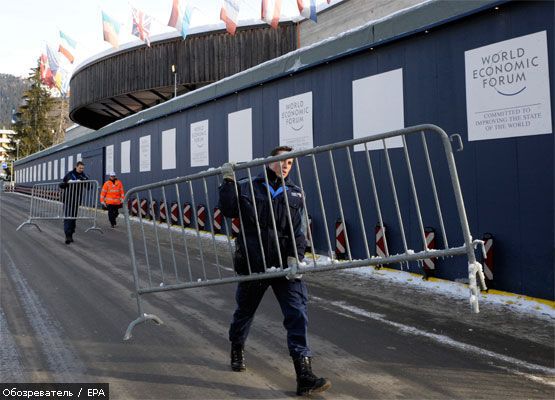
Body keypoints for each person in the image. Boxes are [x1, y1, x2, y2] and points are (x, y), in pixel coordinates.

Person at [219, 146, 331, 396]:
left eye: (290, 162)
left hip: (284, 265)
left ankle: (304, 375)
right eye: (281, 161)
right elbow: (227, 210)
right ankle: (237, 347)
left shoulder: (296, 193)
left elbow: (299, 231)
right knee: (244, 312)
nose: (285, 165)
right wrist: (227, 181)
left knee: (297, 314)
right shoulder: (248, 185)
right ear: (269, 161)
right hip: (254, 263)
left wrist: (296, 258)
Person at [60, 161, 89, 244]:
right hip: (68, 199)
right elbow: (62, 184)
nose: (81, 169)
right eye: (80, 168)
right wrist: (68, 183)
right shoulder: (70, 174)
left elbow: (89, 186)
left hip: (76, 200)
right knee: (68, 217)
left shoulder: (83, 175)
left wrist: (85, 180)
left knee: (73, 218)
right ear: (76, 167)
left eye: (83, 168)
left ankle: (71, 233)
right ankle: (67, 235)